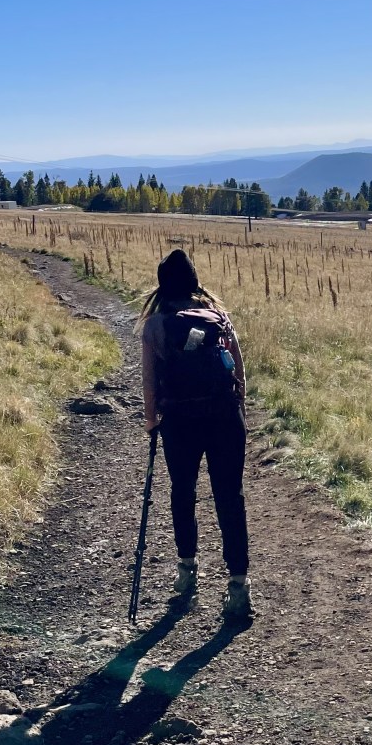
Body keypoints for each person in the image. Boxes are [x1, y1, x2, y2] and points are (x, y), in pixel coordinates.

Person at [139, 247, 251, 621]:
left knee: (183, 492)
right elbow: (238, 370)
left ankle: (187, 570)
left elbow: (149, 381)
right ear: (194, 280)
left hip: (180, 420)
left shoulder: (155, 325)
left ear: (162, 285)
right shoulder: (218, 316)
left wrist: (152, 420)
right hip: (224, 416)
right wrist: (239, 409)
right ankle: (238, 585)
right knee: (230, 497)